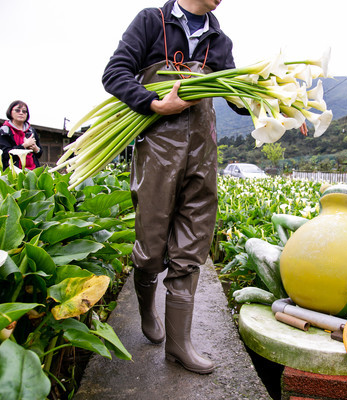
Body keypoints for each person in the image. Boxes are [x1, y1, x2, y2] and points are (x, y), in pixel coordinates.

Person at [102, 0, 244, 374]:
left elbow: (237, 98)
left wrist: (276, 100)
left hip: (202, 148)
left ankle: (180, 344)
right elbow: (115, 73)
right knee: (150, 245)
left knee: (194, 237)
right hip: (157, 146)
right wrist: (152, 103)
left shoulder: (220, 41)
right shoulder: (152, 21)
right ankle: (148, 306)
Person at [0, 100, 42, 170]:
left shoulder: (31, 131)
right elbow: (4, 154)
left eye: (24, 111)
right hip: (13, 172)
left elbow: (39, 153)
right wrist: (24, 146)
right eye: (17, 110)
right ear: (10, 112)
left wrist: (36, 149)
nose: (21, 113)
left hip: (33, 171)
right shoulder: (5, 131)